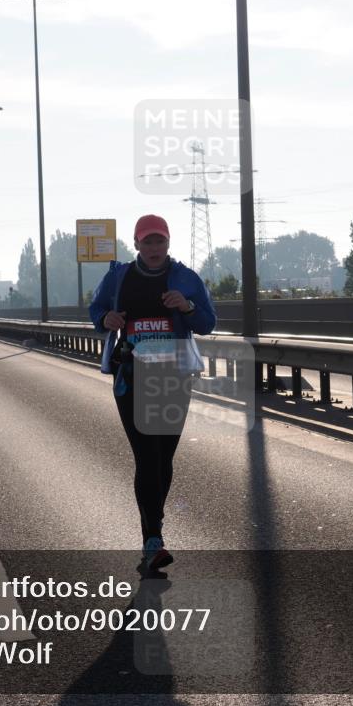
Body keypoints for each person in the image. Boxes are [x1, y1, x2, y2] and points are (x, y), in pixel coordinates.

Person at [89, 214, 216, 573]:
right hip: (131, 377)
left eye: (160, 241)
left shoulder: (185, 278)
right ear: (137, 244)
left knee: (163, 457)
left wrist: (187, 307)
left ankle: (153, 531)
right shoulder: (118, 277)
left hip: (174, 378)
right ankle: (153, 540)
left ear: (168, 243)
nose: (154, 248)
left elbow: (207, 323)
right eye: (148, 241)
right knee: (146, 454)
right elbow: (96, 311)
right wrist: (106, 320)